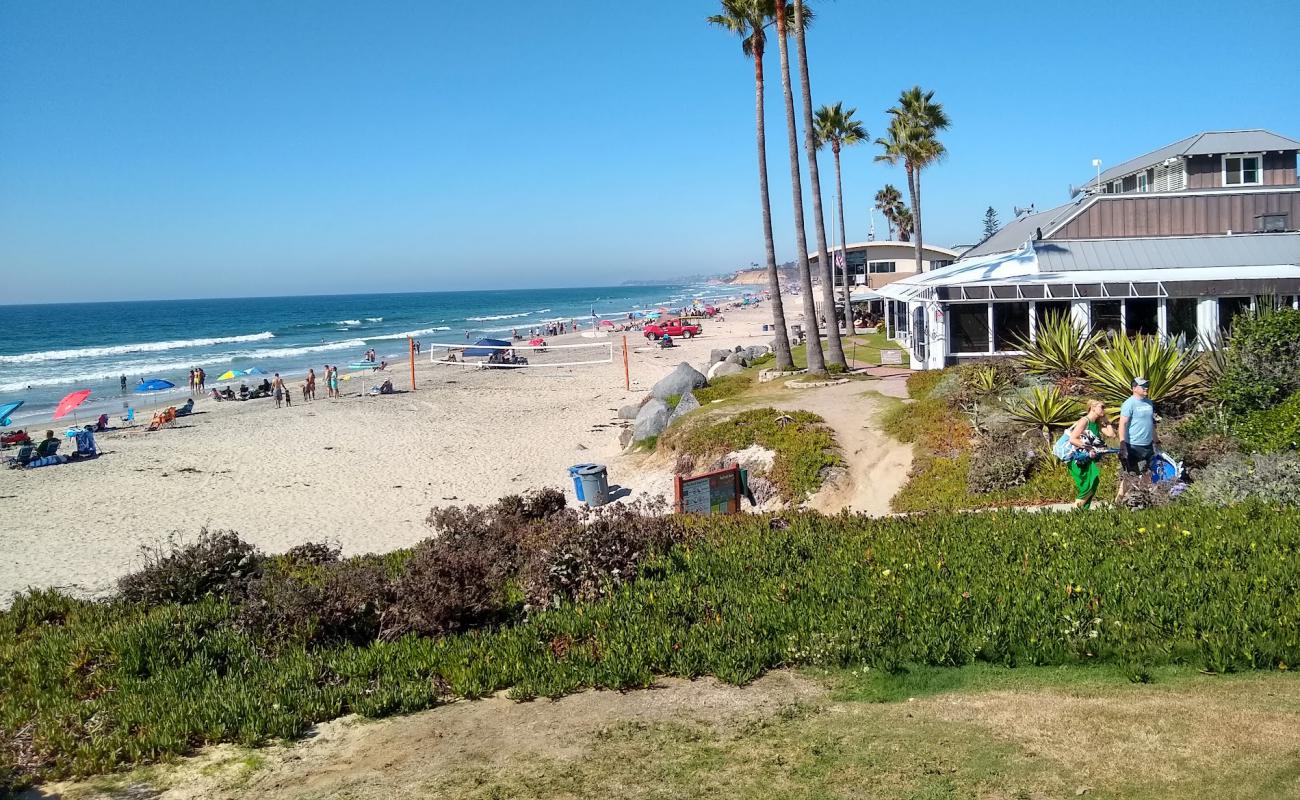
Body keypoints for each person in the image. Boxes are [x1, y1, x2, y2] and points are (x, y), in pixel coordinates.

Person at [1066, 400, 1116, 509]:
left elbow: (1111, 434)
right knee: (1087, 485)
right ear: (1093, 408)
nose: (1104, 409)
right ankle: (1075, 510)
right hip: (1078, 458)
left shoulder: (1096, 423)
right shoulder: (1084, 421)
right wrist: (1088, 447)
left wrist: (1107, 422)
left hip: (1089, 459)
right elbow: (1073, 439)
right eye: (1102, 407)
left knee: (1093, 482)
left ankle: (1082, 511)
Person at [1117, 377, 1157, 501]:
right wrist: (1122, 443)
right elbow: (1122, 423)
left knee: (1148, 473)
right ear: (1134, 388)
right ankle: (1118, 501)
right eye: (1142, 386)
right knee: (1131, 476)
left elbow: (1151, 423)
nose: (1146, 388)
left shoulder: (1149, 403)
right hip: (1133, 445)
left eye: (1147, 385)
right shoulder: (1129, 403)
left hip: (1148, 445)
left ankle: (1141, 499)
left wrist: (1156, 440)